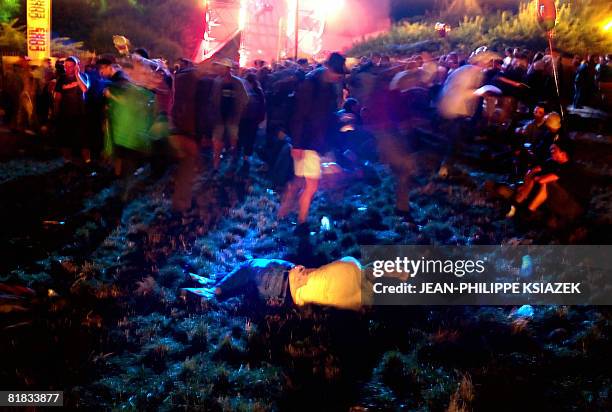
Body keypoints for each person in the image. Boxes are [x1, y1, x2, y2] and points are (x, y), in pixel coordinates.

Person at [278, 52, 346, 231]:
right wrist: (298, 144)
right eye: (337, 74)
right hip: (307, 142)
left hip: (313, 141)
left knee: (300, 181)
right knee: (312, 184)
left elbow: (327, 116)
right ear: (329, 68)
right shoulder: (311, 84)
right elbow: (299, 115)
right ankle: (302, 222)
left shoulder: (326, 85)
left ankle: (284, 211)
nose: (339, 78)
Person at [183, 257, 365, 310]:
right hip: (284, 299)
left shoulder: (352, 266)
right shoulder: (356, 302)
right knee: (248, 284)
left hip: (284, 279)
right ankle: (214, 282)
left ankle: (214, 290)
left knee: (249, 266)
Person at [510, 140, 587, 226]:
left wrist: (535, 179)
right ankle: (518, 204)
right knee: (535, 177)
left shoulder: (569, 166)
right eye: (551, 149)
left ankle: (529, 210)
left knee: (547, 182)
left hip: (572, 204)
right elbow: (534, 170)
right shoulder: (552, 162)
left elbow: (543, 180)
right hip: (557, 199)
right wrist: (525, 183)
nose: (551, 151)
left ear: (563, 153)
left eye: (554, 149)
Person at [210, 58, 249, 171]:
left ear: (227, 69)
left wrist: (238, 112)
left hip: (232, 119)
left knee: (233, 140)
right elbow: (213, 98)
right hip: (219, 118)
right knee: (217, 141)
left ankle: (232, 160)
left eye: (222, 68)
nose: (219, 70)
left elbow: (245, 99)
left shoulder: (237, 82)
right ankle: (216, 165)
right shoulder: (217, 81)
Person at [54, 56, 90, 163]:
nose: (68, 69)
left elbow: (84, 89)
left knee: (84, 139)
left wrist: (77, 74)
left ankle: (87, 161)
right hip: (65, 113)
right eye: (66, 66)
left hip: (81, 113)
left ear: (76, 66)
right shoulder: (61, 79)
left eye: (70, 66)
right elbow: (57, 97)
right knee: (65, 139)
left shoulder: (83, 76)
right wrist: (55, 111)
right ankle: (67, 161)